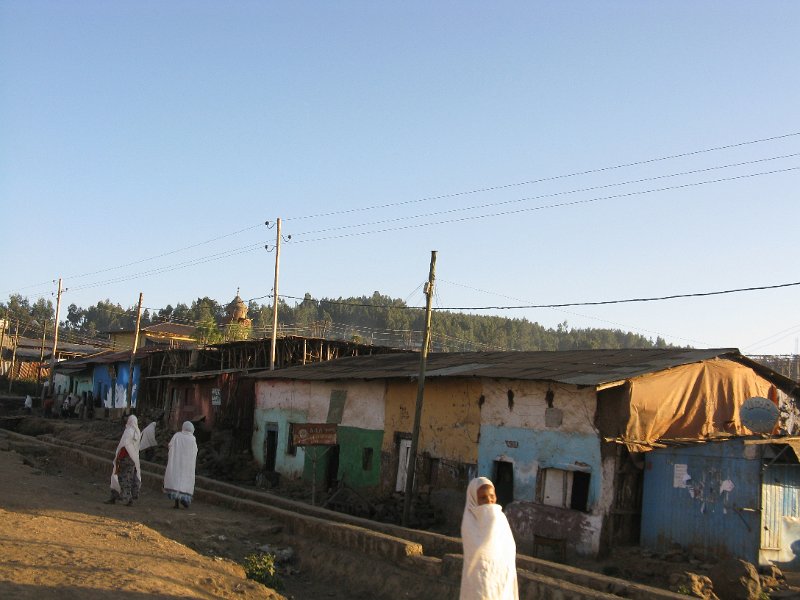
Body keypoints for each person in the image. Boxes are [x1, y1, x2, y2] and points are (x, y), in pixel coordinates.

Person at [460, 477, 519, 600]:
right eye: (483, 498)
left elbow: (509, 549)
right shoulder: (469, 522)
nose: (489, 501)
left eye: (492, 496)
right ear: (474, 499)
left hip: (501, 579)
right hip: (479, 581)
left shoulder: (500, 518)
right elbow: (478, 553)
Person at [104, 415, 142, 506]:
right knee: (129, 479)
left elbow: (125, 446)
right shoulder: (137, 432)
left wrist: (119, 458)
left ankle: (123, 498)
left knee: (118, 478)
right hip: (133, 460)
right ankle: (124, 498)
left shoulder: (128, 431)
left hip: (124, 458)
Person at [163, 421, 198, 509]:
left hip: (177, 463)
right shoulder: (192, 439)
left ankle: (177, 503)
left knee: (176, 481)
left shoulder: (177, 436)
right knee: (185, 482)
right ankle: (185, 499)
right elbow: (195, 451)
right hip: (187, 466)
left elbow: (170, 445)